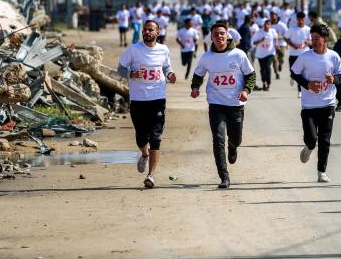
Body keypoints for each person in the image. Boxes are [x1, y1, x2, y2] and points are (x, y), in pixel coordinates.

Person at [190, 21, 256, 188]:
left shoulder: (238, 54)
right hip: (216, 104)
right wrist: (195, 87)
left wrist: (246, 90)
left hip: (235, 104)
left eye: (222, 33)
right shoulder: (207, 57)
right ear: (211, 38)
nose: (219, 36)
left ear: (228, 35)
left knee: (236, 138)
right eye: (215, 34)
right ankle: (224, 177)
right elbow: (198, 74)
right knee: (218, 139)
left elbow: (251, 75)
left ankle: (233, 147)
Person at [117, 20, 177, 189]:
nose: (147, 32)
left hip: (158, 98)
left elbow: (166, 68)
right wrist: (133, 74)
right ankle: (144, 153)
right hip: (138, 100)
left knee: (155, 137)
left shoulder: (163, 50)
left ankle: (151, 175)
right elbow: (120, 69)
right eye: (145, 30)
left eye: (151, 30)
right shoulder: (134, 49)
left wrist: (171, 75)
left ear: (158, 32)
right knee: (141, 137)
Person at [290, 23, 341, 182]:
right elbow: (294, 73)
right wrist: (308, 84)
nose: (313, 41)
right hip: (309, 106)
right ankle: (308, 147)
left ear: (325, 39)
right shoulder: (305, 56)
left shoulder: (334, 56)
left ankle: (321, 171)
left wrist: (333, 79)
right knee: (312, 139)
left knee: (325, 140)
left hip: (327, 104)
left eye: (317, 38)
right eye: (312, 38)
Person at [284, 11, 312, 95]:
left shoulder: (308, 29)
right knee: (293, 73)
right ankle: (293, 77)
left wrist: (307, 43)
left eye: (302, 20)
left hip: (304, 54)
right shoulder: (292, 29)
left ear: (304, 20)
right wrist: (293, 45)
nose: (300, 21)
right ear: (296, 20)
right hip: (293, 54)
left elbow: (311, 41)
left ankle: (300, 90)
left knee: (302, 73)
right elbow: (285, 38)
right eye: (299, 20)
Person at [252, 18, 279, 91]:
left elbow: (276, 37)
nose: (267, 26)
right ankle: (264, 82)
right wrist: (260, 41)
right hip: (261, 54)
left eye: (269, 24)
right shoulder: (259, 32)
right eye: (266, 24)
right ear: (263, 25)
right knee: (262, 69)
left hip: (270, 52)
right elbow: (254, 43)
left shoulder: (272, 31)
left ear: (270, 25)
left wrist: (276, 44)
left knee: (268, 67)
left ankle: (268, 83)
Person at [271, 12, 289, 80]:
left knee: (281, 57)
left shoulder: (282, 25)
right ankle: (277, 73)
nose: (272, 18)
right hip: (273, 45)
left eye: (273, 16)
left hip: (281, 44)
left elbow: (287, 35)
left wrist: (279, 38)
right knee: (274, 59)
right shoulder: (270, 24)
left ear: (276, 17)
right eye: (271, 16)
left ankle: (280, 64)